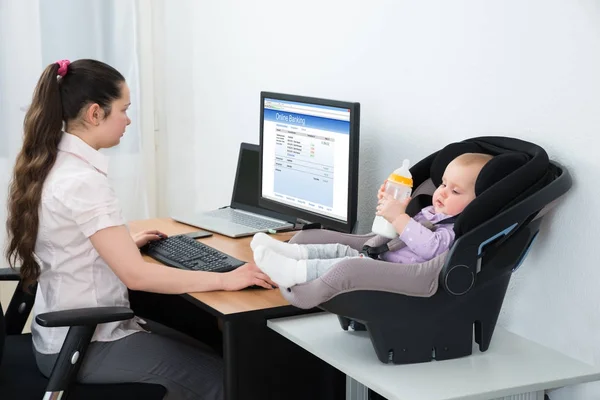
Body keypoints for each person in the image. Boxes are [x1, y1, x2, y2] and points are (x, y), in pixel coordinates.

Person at [5, 59, 275, 400]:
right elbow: (137, 277)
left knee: (214, 350)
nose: (128, 120)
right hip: (84, 345)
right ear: (94, 114)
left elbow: (67, 242)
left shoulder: (51, 160)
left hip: (63, 336)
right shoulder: (82, 181)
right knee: (228, 380)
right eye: (124, 109)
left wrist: (121, 244)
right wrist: (226, 278)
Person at [251, 152, 493, 288]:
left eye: (456, 191)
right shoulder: (431, 211)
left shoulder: (452, 231)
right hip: (381, 256)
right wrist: (395, 205)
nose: (442, 193)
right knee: (340, 250)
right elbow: (399, 231)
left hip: (401, 274)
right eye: (443, 184)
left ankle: (294, 272)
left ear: (477, 202)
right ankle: (289, 252)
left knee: (346, 265)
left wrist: (399, 217)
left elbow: (429, 248)